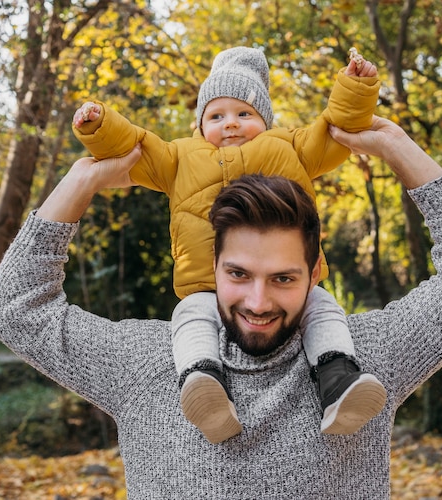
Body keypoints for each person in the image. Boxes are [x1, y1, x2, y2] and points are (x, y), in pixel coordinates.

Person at [0, 115, 442, 498]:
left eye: (283, 278)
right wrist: (81, 182)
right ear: (212, 268)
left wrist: (397, 147)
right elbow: (13, 309)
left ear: (313, 275)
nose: (258, 302)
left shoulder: (362, 359)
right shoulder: (147, 363)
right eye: (238, 274)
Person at [71, 46, 386, 443]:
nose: (231, 125)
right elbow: (133, 147)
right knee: (191, 316)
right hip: (204, 282)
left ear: (265, 120)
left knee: (322, 308)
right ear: (199, 123)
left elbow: (336, 129)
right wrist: (99, 125)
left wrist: (356, 87)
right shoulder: (179, 157)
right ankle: (204, 384)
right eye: (216, 116)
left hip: (286, 279)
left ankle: (339, 379)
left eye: (244, 114)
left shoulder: (289, 146)